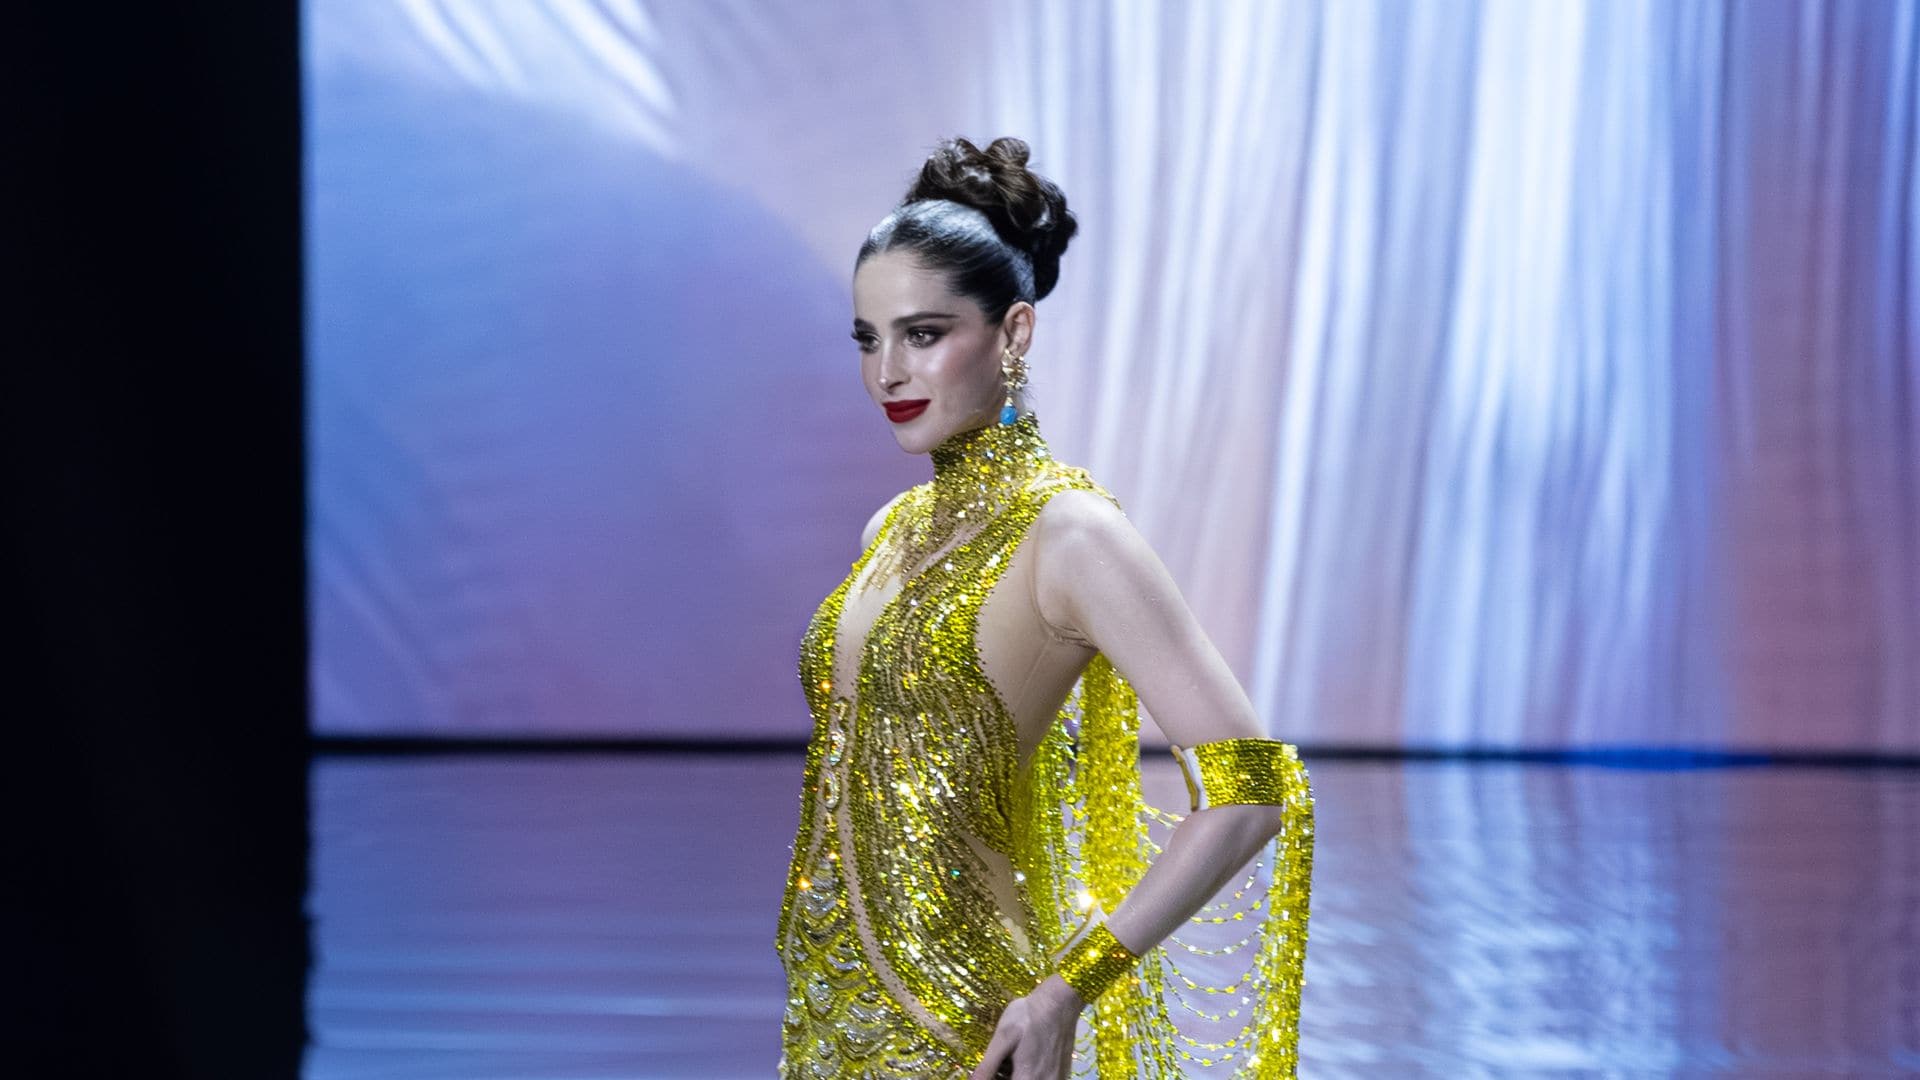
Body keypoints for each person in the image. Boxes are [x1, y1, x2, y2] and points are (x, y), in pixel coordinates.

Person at [775, 135, 1314, 1080]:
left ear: (1014, 334)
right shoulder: (890, 531)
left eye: (925, 334)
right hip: (829, 1024)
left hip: (974, 1037)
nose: (888, 372)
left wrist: (1067, 989)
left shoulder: (1069, 535)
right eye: (869, 339)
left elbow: (1250, 787)